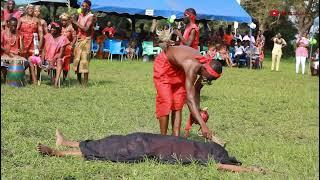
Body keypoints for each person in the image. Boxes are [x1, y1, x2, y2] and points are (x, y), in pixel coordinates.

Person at [36, 129, 265, 173]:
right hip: (146, 140)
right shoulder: (214, 150)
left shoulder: (210, 155)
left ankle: (58, 151)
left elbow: (222, 164)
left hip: (146, 146)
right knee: (109, 144)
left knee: (107, 150)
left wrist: (250, 169)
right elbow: (220, 148)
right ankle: (64, 144)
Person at [154, 42, 223, 139]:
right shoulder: (193, 66)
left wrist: (197, 111)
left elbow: (197, 90)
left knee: (178, 104)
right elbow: (190, 99)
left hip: (179, 68)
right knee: (166, 101)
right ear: (204, 70)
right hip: (165, 65)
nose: (208, 80)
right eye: (209, 78)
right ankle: (163, 139)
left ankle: (175, 139)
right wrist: (203, 125)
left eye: (212, 80)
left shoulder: (204, 68)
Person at [17, 4, 43, 85]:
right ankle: (19, 78)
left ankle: (33, 79)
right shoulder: (21, 19)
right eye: (29, 8)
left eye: (32, 9)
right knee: (22, 61)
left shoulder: (37, 20)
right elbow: (16, 30)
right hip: (22, 42)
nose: (31, 10)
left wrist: (39, 45)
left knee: (33, 60)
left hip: (33, 42)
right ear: (26, 9)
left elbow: (41, 34)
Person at [71, 0, 94, 87]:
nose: (82, 7)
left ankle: (85, 84)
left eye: (84, 6)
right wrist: (72, 22)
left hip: (86, 41)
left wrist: (75, 22)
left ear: (88, 7)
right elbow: (76, 28)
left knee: (84, 62)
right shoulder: (80, 15)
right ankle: (79, 82)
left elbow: (86, 29)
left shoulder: (91, 16)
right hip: (79, 40)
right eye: (82, 5)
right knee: (77, 61)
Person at [41, 22, 70, 88]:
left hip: (58, 59)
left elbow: (61, 54)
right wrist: (42, 59)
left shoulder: (63, 39)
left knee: (59, 61)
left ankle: (56, 83)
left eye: (54, 28)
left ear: (58, 29)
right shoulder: (48, 36)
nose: (52, 29)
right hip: (47, 59)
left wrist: (53, 59)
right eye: (51, 28)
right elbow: (43, 49)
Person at [1, 17, 25, 82]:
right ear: (8, 25)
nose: (13, 28)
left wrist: (20, 40)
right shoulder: (3, 33)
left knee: (24, 62)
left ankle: (15, 79)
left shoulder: (20, 33)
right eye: (12, 26)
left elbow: (22, 50)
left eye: (15, 26)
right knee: (3, 62)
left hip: (15, 55)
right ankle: (5, 78)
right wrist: (8, 52)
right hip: (5, 54)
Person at [60, 13, 76, 82]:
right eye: (62, 20)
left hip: (67, 48)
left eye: (65, 20)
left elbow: (75, 37)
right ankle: (55, 78)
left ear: (68, 20)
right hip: (59, 47)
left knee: (66, 63)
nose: (63, 22)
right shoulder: (59, 27)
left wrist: (71, 45)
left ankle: (64, 78)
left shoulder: (71, 27)